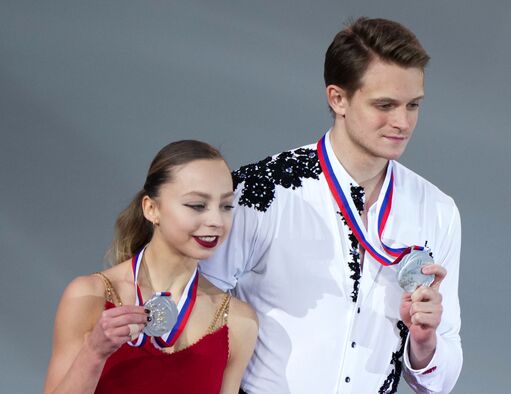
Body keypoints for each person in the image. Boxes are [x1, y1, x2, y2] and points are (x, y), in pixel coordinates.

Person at [200, 17, 462, 394]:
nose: (402, 122)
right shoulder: (263, 190)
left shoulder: (437, 210)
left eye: (413, 105)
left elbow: (439, 381)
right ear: (338, 98)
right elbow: (197, 319)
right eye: (384, 105)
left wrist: (424, 343)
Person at [44, 140, 258, 394]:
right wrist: (93, 352)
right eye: (197, 205)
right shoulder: (90, 296)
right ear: (151, 208)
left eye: (226, 206)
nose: (215, 220)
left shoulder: (238, 320)